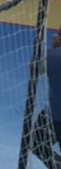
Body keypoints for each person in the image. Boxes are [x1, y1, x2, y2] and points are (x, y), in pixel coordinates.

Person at [31, 26, 61, 169]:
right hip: (54, 115)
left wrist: (54, 48)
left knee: (36, 142)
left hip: (54, 116)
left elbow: (35, 69)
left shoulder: (52, 56)